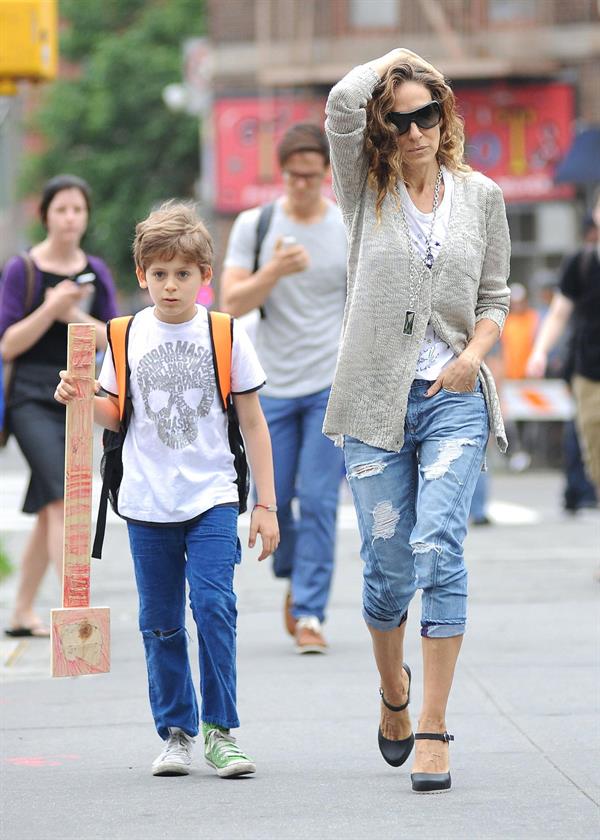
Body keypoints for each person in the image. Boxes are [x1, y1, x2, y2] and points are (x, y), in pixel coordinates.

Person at [323, 49, 510, 793]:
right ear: (383, 128)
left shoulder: (484, 196)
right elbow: (340, 102)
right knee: (386, 571)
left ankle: (433, 726)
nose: (412, 130)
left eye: (425, 114)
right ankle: (393, 695)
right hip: (373, 399)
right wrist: (401, 60)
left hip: (453, 394)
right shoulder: (363, 192)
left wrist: (472, 356)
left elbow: (495, 298)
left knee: (439, 544)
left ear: (445, 117)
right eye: (397, 119)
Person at [55, 202, 279, 779]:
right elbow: (113, 412)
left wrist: (266, 506)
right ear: (141, 276)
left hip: (211, 497)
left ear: (205, 276)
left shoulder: (226, 334)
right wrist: (79, 398)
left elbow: (253, 422)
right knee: (159, 620)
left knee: (214, 608)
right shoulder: (123, 335)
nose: (171, 285)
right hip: (146, 501)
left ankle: (220, 731)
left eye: (183, 273)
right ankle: (177, 731)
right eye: (159, 274)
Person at [220, 124, 347, 654]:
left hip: (330, 386)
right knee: (275, 498)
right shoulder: (257, 225)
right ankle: (295, 573)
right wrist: (273, 269)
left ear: (326, 175)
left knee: (319, 501)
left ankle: (312, 611)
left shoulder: (346, 225)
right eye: (293, 176)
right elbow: (230, 303)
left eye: (312, 176)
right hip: (270, 385)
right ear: (282, 174)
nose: (301, 186)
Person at [0, 174, 118, 637]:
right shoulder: (22, 270)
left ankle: (21, 611)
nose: (70, 218)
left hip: (78, 393)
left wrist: (75, 315)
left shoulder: (96, 271)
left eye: (78, 210)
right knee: (62, 499)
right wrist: (50, 309)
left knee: (52, 499)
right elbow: (8, 345)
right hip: (31, 395)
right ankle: (74, 609)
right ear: (45, 214)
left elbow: (116, 336)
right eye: (61, 209)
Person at [527, 188, 600, 497]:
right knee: (594, 446)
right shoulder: (580, 263)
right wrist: (540, 351)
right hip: (589, 371)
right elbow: (558, 314)